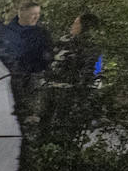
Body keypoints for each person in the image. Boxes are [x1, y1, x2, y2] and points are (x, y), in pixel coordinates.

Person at [40, 12, 104, 143]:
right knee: (44, 125)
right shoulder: (64, 41)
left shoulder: (92, 48)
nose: (72, 26)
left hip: (68, 93)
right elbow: (50, 59)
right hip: (51, 89)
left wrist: (81, 91)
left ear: (85, 27)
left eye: (76, 23)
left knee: (61, 127)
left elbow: (93, 72)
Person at [0, 1, 52, 118]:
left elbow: (47, 56)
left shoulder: (41, 34)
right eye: (33, 14)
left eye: (38, 14)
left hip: (31, 80)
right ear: (22, 13)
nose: (36, 17)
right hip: (8, 79)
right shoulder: (6, 32)